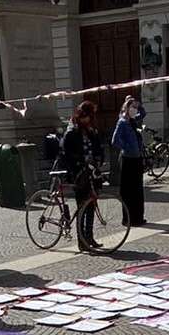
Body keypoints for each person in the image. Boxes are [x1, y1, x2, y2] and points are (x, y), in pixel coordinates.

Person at [58, 100, 105, 250]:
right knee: (81, 207)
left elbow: (98, 148)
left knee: (91, 204)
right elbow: (66, 153)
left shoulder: (91, 131)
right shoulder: (72, 133)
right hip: (79, 174)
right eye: (85, 117)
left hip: (91, 173)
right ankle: (81, 241)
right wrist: (79, 163)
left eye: (90, 117)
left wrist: (98, 159)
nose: (88, 120)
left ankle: (89, 238)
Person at [112, 94, 147, 226]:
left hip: (137, 158)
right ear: (126, 108)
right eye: (132, 107)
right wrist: (127, 148)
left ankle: (138, 217)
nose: (134, 110)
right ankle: (127, 218)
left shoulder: (135, 120)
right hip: (128, 159)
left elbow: (143, 113)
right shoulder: (122, 122)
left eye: (135, 108)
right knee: (128, 191)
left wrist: (138, 104)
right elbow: (115, 140)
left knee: (138, 190)